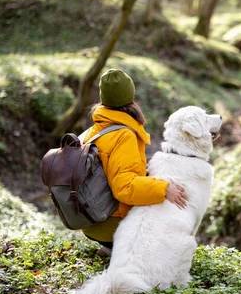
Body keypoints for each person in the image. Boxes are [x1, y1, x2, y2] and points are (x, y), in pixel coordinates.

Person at [80, 69, 187, 255]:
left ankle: (111, 249)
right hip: (109, 224)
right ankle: (120, 248)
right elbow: (124, 187)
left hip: (90, 221)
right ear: (130, 95)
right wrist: (163, 188)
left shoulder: (94, 130)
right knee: (168, 240)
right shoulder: (124, 135)